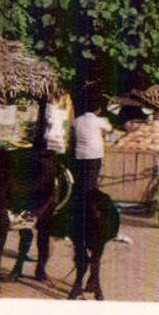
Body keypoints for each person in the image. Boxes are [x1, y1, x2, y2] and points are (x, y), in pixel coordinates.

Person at [70, 90, 112, 265]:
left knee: (80, 185)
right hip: (94, 156)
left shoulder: (76, 121)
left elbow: (72, 138)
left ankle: (79, 208)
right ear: (99, 109)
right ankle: (89, 213)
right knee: (91, 186)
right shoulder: (100, 121)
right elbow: (109, 129)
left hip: (80, 156)